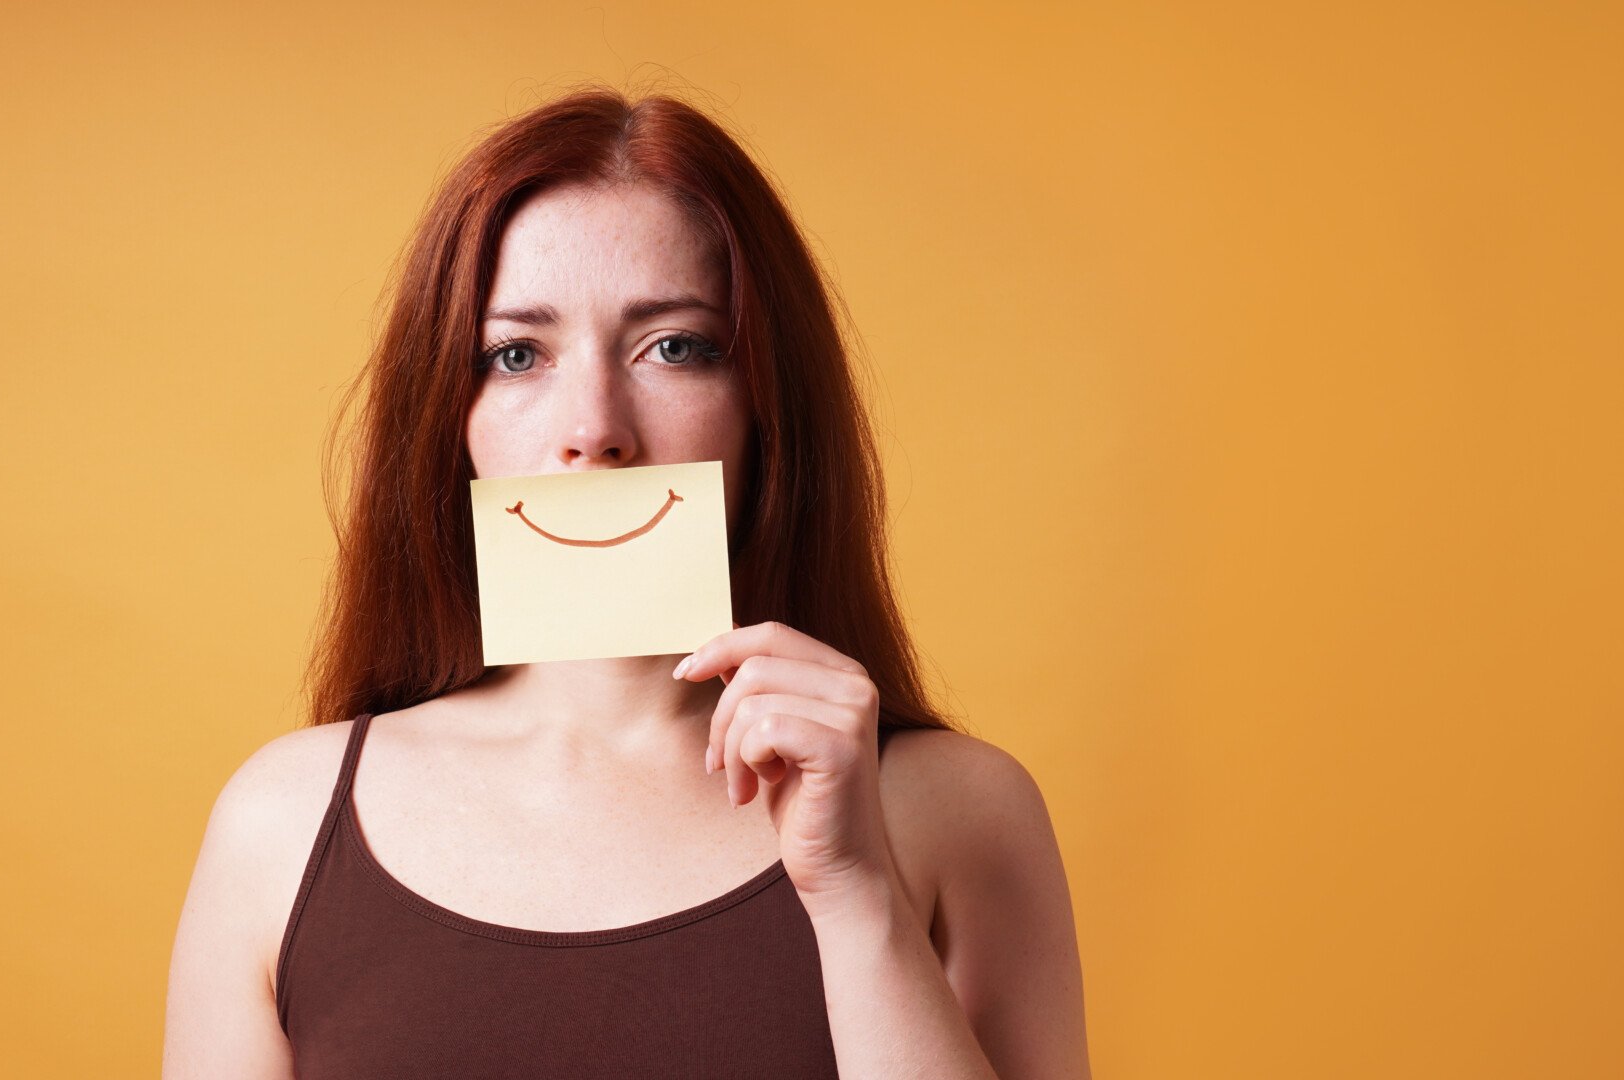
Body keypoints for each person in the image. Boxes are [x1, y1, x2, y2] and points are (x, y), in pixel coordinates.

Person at [163, 85, 1090, 1079]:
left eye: (675, 348)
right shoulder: (284, 823)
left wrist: (859, 897)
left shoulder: (964, 813)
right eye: (517, 355)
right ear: (449, 417)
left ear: (766, 405)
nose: (593, 427)